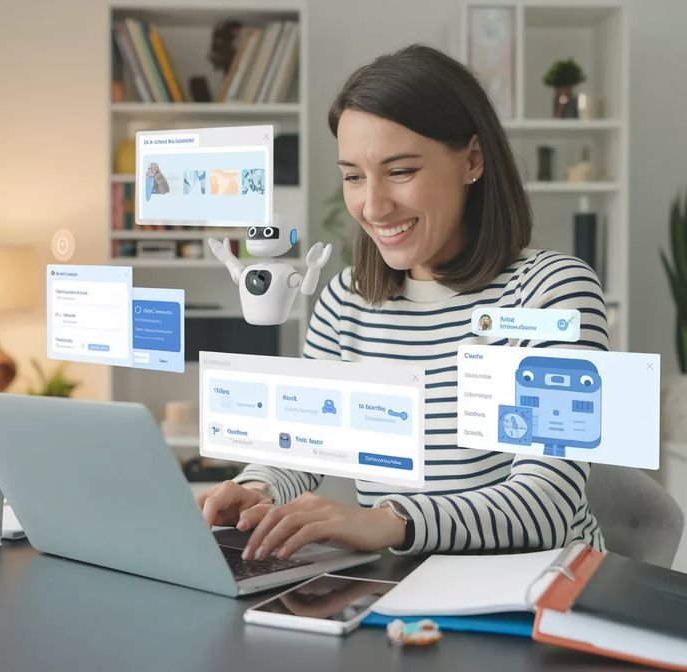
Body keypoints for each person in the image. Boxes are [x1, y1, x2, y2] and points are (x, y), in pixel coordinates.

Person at [198, 44, 608, 562]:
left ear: (473, 160)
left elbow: (546, 504)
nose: (373, 205)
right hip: (402, 591)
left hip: (537, 593)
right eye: (353, 176)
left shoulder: (550, 293)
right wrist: (256, 489)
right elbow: (300, 446)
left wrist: (391, 521)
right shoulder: (345, 300)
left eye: (400, 171)